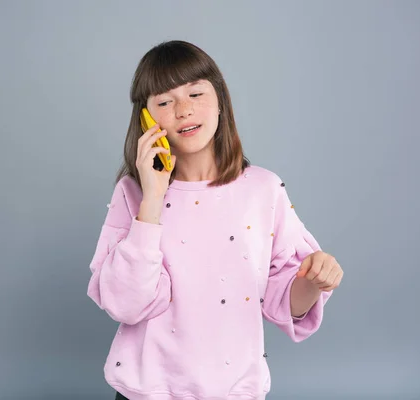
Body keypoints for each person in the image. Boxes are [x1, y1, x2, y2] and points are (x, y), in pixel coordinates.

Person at [86, 40, 343, 400]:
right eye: (164, 101)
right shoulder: (133, 194)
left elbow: (283, 301)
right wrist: (154, 198)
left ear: (220, 101)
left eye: (196, 93)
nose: (183, 110)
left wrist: (314, 281)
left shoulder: (264, 190)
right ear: (146, 118)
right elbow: (127, 304)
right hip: (146, 393)